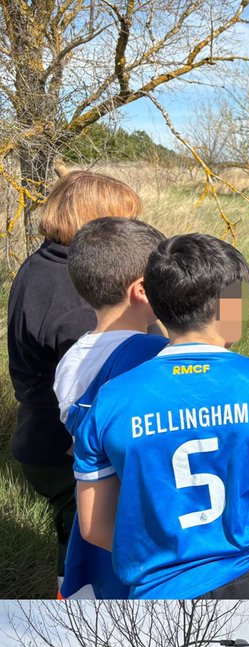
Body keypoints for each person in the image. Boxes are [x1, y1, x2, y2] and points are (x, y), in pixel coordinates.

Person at [73, 233, 249, 598]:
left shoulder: (111, 398)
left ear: (157, 306)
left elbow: (94, 526)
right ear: (231, 306)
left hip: (162, 589)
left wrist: (162, 557)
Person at [6, 170, 142, 584]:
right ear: (100, 225)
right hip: (66, 451)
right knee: (93, 559)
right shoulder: (78, 302)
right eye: (127, 222)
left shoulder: (42, 262)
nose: (134, 231)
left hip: (41, 436)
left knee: (78, 536)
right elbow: (107, 399)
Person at [54, 216, 168, 599]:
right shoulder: (153, 354)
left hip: (97, 507)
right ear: (141, 291)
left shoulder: (70, 358)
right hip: (147, 513)